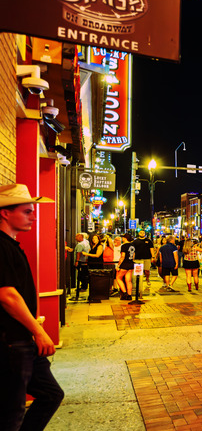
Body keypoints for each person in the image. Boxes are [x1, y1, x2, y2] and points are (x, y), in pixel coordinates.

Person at [0, 183, 64, 429]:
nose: (33, 216)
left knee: (50, 394)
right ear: (6, 212)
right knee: (10, 413)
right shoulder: (2, 246)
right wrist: (39, 331)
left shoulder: (12, 245)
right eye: (27, 211)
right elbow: (7, 295)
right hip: (12, 343)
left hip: (22, 340)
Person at [116, 233, 135, 300]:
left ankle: (124, 293)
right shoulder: (133, 245)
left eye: (123, 237)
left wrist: (118, 265)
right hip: (131, 264)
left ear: (125, 238)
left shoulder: (124, 246)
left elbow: (122, 256)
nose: (122, 239)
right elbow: (133, 256)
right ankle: (129, 295)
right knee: (128, 280)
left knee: (118, 278)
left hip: (125, 264)